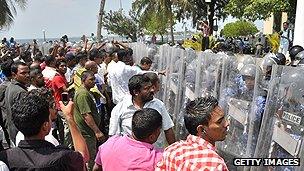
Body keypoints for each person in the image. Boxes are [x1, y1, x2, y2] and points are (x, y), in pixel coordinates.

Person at [0, 92, 89, 170]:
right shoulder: (62, 157)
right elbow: (83, 156)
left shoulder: (6, 158)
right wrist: (69, 117)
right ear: (45, 126)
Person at [156, 96, 229, 170]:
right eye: (219, 122)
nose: (227, 123)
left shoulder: (171, 151)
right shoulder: (214, 165)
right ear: (201, 129)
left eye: (224, 119)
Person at [109, 74, 175, 148]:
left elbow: (168, 129)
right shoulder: (120, 109)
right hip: (130, 154)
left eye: (152, 87)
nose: (152, 90)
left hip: (154, 154)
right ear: (136, 92)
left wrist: (175, 150)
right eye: (147, 88)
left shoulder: (158, 105)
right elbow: (113, 136)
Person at [93, 108, 163, 171]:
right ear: (152, 137)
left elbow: (96, 168)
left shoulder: (110, 143)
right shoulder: (158, 158)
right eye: (159, 130)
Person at [73, 71, 104, 170]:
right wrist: (97, 131)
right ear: (83, 80)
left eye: (94, 79)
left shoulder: (87, 92)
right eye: (91, 79)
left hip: (88, 132)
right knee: (90, 159)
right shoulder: (83, 94)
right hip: (86, 133)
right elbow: (86, 114)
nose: (94, 81)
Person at [2, 62, 29, 145]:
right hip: (21, 134)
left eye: (28, 72)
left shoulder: (10, 86)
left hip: (14, 132)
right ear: (14, 75)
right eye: (23, 73)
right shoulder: (20, 92)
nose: (27, 75)